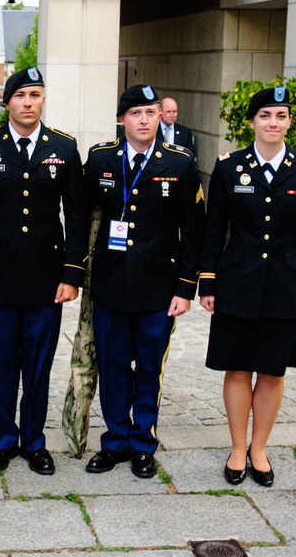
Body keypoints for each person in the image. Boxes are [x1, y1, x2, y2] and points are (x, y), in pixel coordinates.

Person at [0, 66, 89, 475]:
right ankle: (2, 442)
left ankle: (33, 441)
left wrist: (71, 274)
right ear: (6, 102)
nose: (28, 103)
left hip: (46, 281)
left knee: (37, 365)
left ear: (42, 100)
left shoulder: (64, 147)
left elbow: (79, 215)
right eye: (20, 96)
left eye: (35, 95)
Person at [198, 87, 296, 487]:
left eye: (281, 116)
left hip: (285, 285)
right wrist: (208, 280)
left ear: (290, 122)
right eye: (266, 115)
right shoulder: (229, 168)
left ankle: (259, 449)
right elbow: (213, 229)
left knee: (272, 371)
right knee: (237, 368)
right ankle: (238, 449)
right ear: (252, 122)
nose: (274, 123)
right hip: (237, 282)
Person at [83, 84, 205, 479]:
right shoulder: (101, 158)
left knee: (149, 367)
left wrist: (185, 288)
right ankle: (115, 441)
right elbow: (84, 215)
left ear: (159, 118)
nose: (144, 120)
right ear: (122, 119)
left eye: (151, 113)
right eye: (135, 113)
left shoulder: (180, 163)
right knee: (114, 365)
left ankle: (143, 444)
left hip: (158, 288)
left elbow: (194, 230)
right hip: (110, 283)